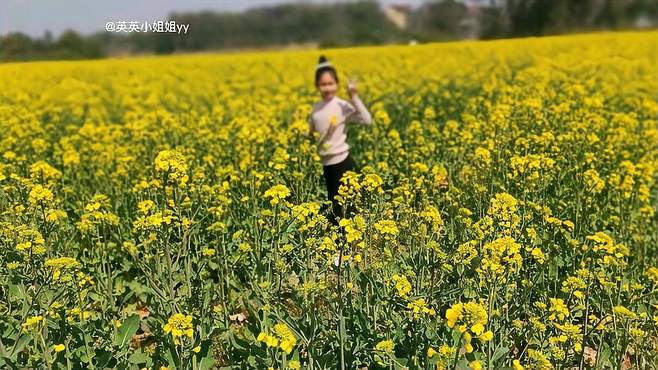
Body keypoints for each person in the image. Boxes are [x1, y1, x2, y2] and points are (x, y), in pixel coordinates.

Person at [305, 55, 373, 226]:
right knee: (334, 204)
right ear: (317, 86)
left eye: (330, 83)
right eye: (323, 84)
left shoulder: (342, 106)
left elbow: (367, 120)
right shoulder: (315, 109)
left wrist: (354, 97)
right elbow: (311, 134)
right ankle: (339, 244)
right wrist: (301, 132)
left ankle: (351, 244)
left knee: (347, 205)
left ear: (337, 84)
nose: (327, 88)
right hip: (326, 164)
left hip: (343, 162)